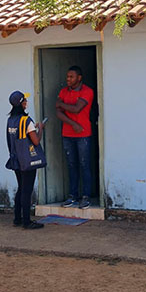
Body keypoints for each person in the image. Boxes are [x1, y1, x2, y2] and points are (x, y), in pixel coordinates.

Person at [55, 65, 94, 209]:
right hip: (68, 133)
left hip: (83, 134)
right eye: (67, 77)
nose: (68, 79)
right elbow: (58, 113)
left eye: (71, 77)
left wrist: (61, 104)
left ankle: (86, 196)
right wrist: (73, 124)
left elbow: (77, 108)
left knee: (84, 165)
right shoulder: (63, 91)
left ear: (79, 78)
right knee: (72, 165)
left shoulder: (87, 91)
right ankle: (73, 195)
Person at [6, 90, 45, 230]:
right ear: (22, 103)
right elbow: (35, 141)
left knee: (21, 188)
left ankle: (17, 218)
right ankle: (27, 221)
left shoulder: (11, 120)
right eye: (25, 100)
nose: (26, 102)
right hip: (27, 160)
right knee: (27, 191)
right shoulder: (26, 120)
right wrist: (40, 129)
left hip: (16, 159)